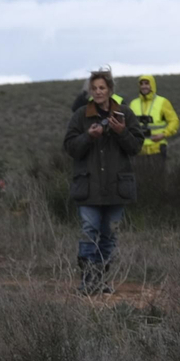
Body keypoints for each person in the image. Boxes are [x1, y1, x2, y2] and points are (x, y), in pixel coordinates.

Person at [64, 71, 144, 295]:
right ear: (89, 91)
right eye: (94, 88)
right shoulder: (80, 116)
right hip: (88, 187)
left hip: (116, 188)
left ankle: (100, 280)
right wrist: (89, 136)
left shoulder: (124, 113)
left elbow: (136, 146)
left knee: (109, 235)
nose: (98, 92)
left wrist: (121, 132)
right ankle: (87, 281)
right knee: (89, 231)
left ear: (110, 90)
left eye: (102, 88)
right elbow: (70, 147)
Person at [126, 74, 180, 165]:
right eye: (141, 84)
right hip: (139, 150)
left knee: (157, 178)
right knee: (139, 178)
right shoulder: (133, 104)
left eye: (147, 83)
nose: (144, 86)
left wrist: (164, 134)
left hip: (157, 149)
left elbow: (174, 121)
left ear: (152, 85)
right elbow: (128, 124)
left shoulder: (162, 102)